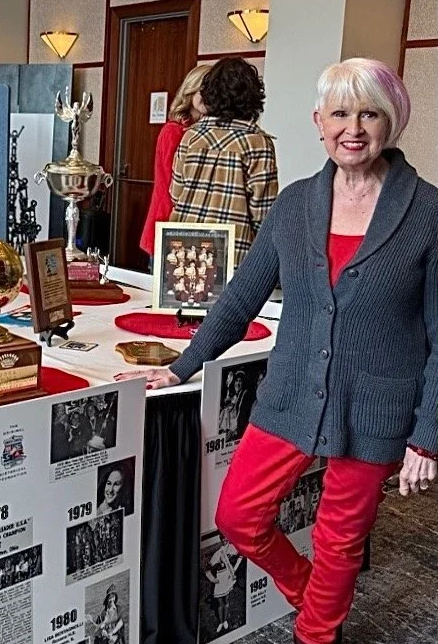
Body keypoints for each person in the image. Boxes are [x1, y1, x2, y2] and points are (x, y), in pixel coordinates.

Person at [117, 58, 438, 644]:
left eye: (369, 114)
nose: (353, 129)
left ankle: (315, 634)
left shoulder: (428, 213)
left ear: (392, 122)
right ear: (319, 122)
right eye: (340, 114)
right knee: (238, 516)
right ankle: (311, 595)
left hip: (376, 403)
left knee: (340, 538)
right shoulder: (294, 205)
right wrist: (183, 366)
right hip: (290, 394)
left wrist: (427, 435)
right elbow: (241, 297)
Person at [170, 57, 278, 265]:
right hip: (234, 251)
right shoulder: (258, 143)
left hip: (184, 247)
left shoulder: (190, 137)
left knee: (184, 285)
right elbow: (263, 213)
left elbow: (176, 193)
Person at [140, 64, 210, 256]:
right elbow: (173, 185)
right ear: (190, 90)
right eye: (202, 89)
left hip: (186, 225)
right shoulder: (174, 131)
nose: (208, 96)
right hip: (168, 219)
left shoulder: (200, 132)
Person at [206, 536, 244, 635]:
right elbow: (207, 569)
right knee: (220, 602)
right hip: (220, 577)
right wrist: (213, 579)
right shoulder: (218, 553)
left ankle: (225, 620)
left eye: (226, 538)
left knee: (226, 600)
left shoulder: (232, 548)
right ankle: (221, 622)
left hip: (228, 576)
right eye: (222, 538)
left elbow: (241, 555)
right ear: (220, 539)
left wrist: (234, 569)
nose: (224, 540)